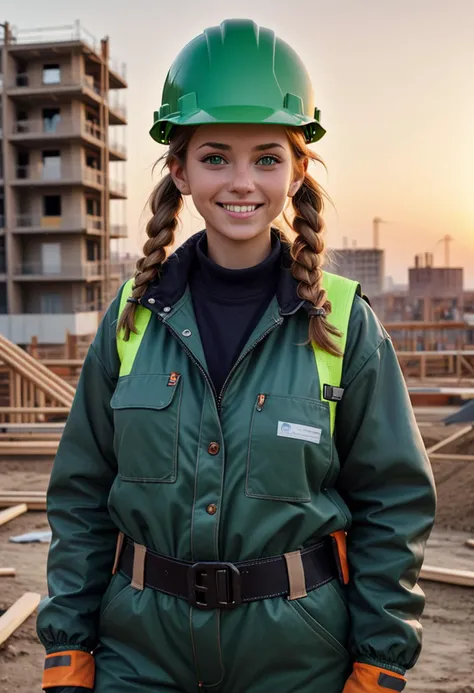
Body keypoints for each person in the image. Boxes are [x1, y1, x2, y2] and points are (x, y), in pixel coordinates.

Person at [37, 18, 436, 693]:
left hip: (296, 664)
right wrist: (68, 653)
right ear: (181, 171)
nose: (242, 181)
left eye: (267, 157)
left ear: (298, 167)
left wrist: (379, 662)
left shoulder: (343, 325)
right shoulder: (131, 322)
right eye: (216, 156)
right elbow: (80, 498)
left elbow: (394, 502)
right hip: (142, 662)